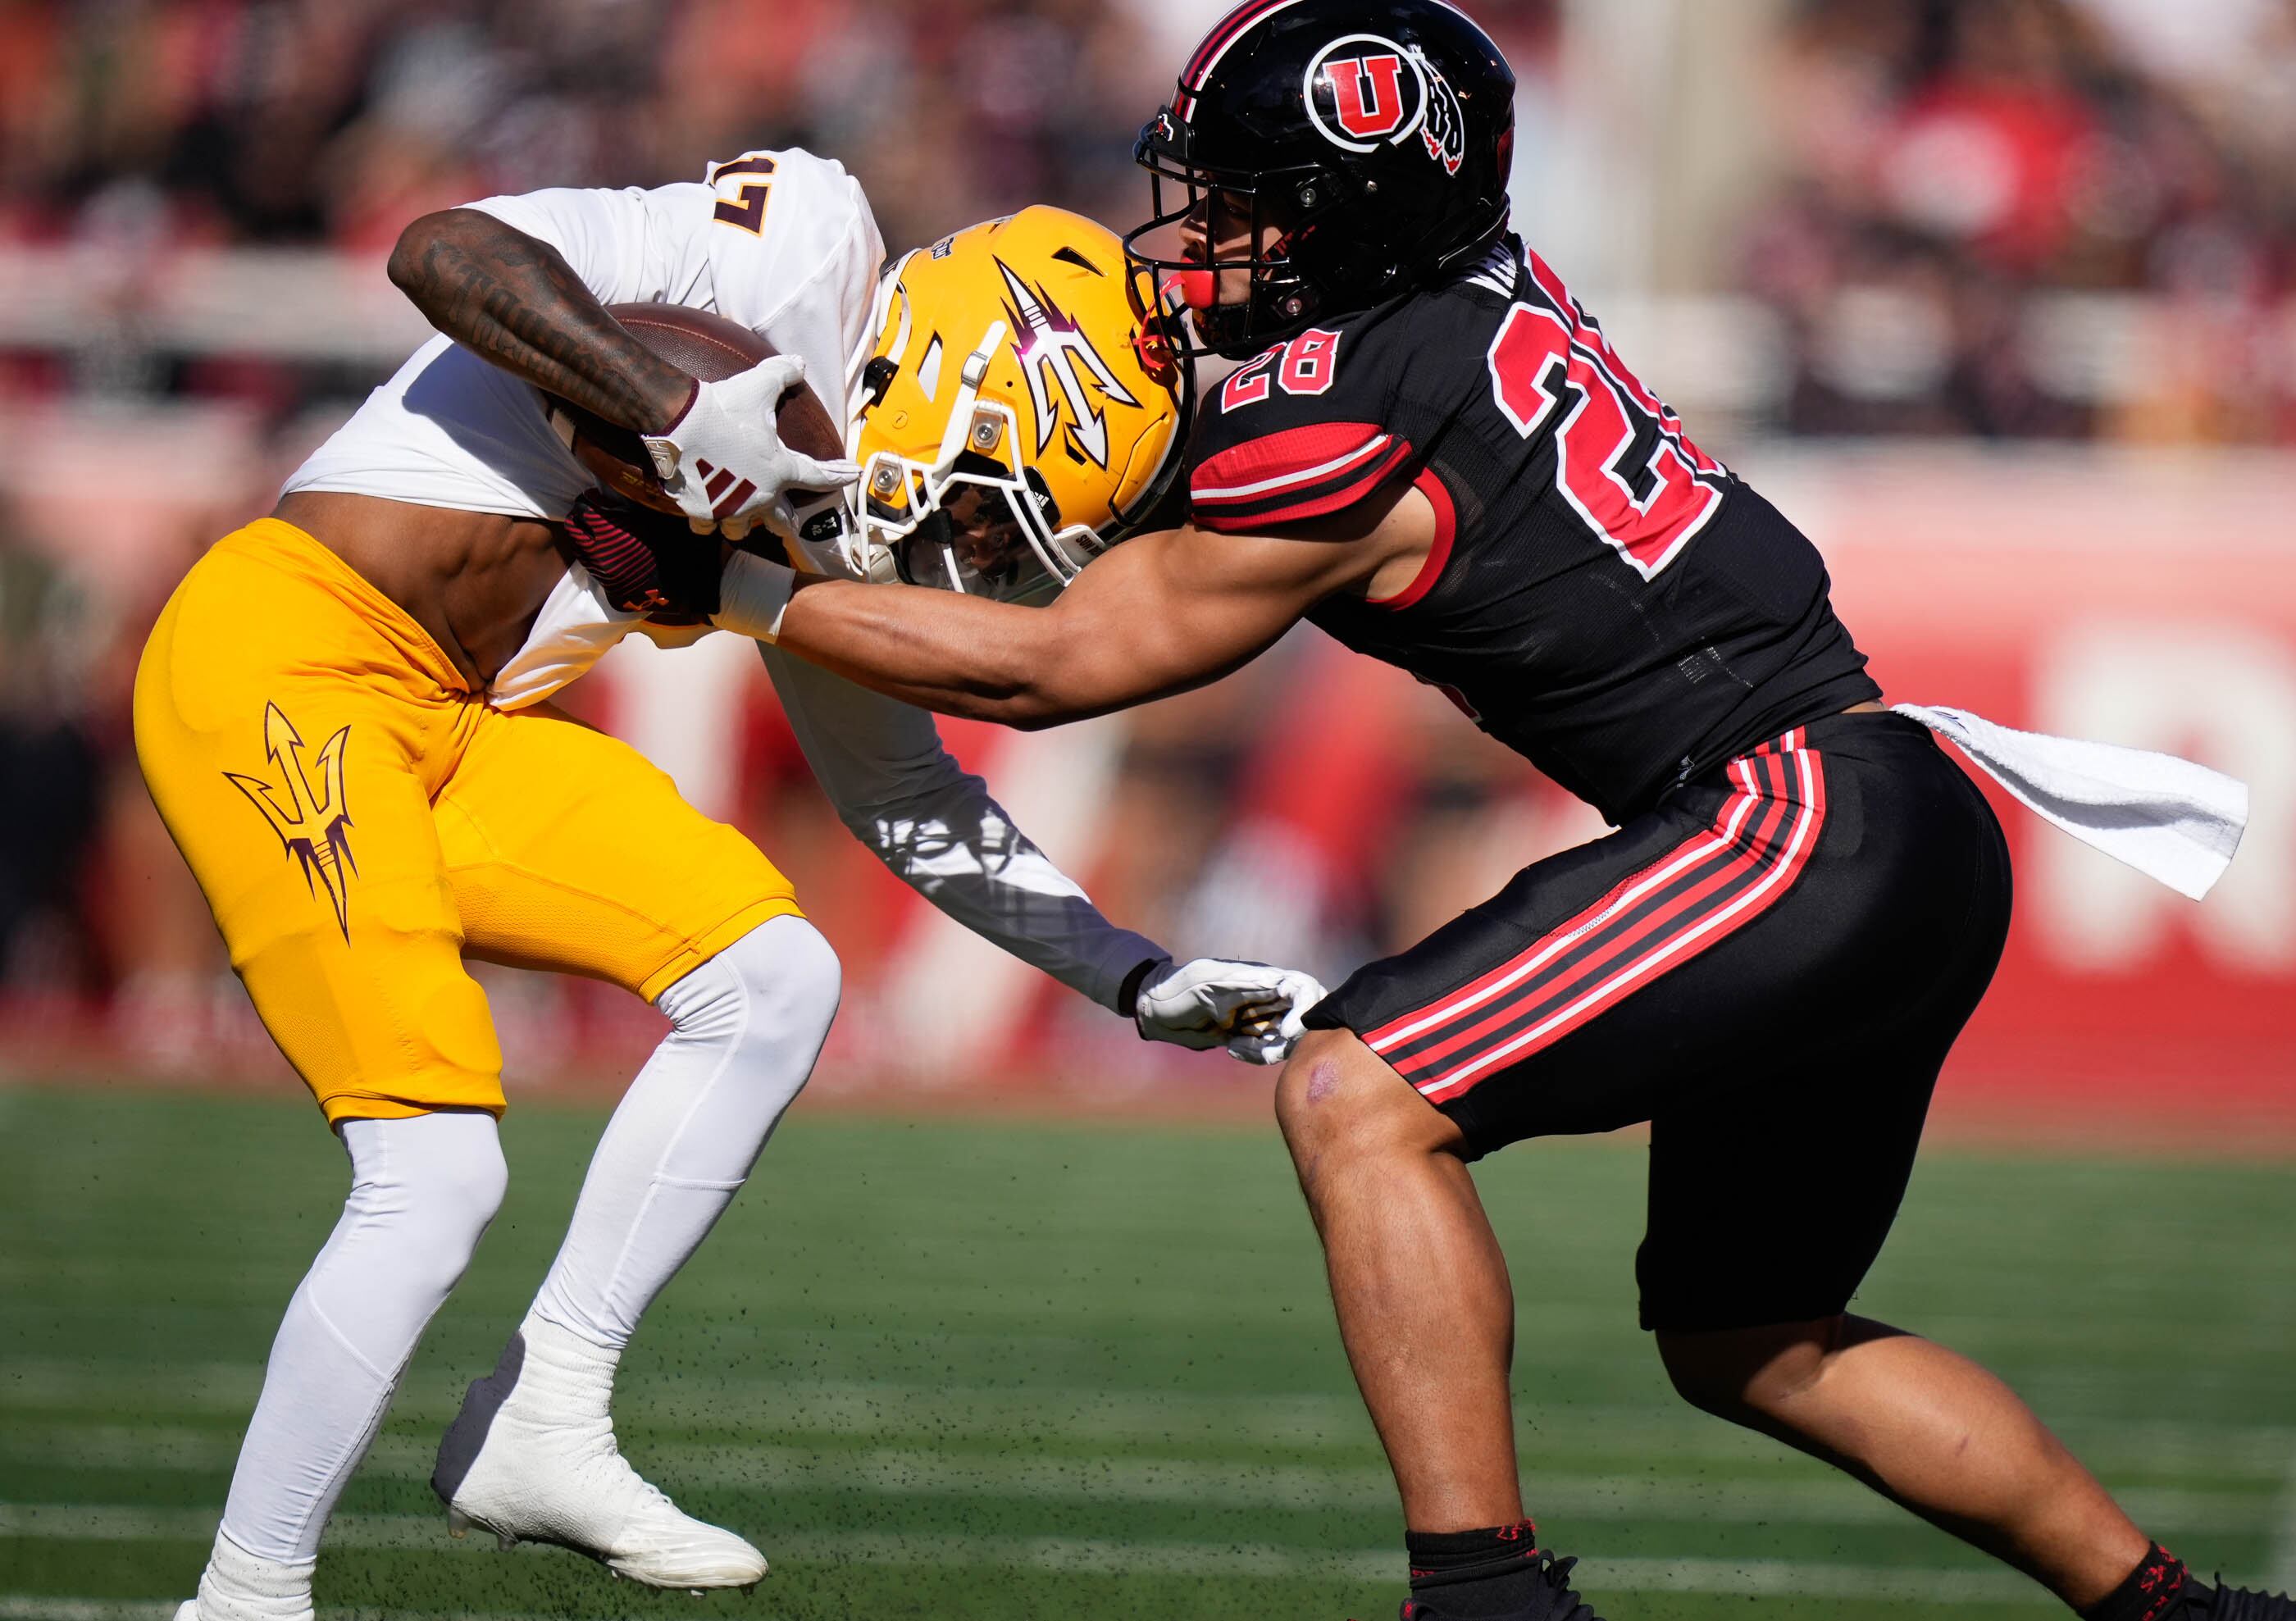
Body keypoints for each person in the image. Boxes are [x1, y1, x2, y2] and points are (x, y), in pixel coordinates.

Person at [632, 5, 2275, 1620]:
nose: (1206, 234)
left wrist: (728, 578)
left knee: (1358, 1092)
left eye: (1250, 201)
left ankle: (1480, 1598)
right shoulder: (1470, 299)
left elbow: (1061, 661)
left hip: (1794, 816)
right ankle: (2165, 1609)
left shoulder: (1340, 408)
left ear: (1354, 212)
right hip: (1893, 820)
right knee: (1747, 1333)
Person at [139, 151, 1323, 1621]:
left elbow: (906, 799)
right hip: (286, 654)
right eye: (980, 515)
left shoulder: (829, 514)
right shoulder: (790, 254)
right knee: (436, 1175)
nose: (961, 558)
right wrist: (680, 408)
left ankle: (545, 1412)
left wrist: (1131, 975)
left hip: (454, 729)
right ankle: (243, 1599)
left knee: (779, 975)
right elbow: (444, 251)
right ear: (967, 375)